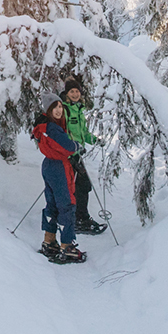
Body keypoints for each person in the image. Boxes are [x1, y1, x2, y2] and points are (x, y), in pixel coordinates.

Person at [31, 92, 86, 264]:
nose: (58, 110)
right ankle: (67, 246)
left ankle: (49, 241)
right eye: (54, 107)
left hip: (48, 165)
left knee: (52, 204)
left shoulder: (43, 126)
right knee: (66, 204)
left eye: (60, 106)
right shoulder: (52, 128)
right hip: (60, 167)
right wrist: (78, 146)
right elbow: (68, 146)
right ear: (48, 109)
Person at [60, 77, 107, 235]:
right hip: (69, 155)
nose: (75, 94)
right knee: (80, 186)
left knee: (82, 186)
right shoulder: (64, 109)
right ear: (67, 94)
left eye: (77, 91)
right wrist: (71, 149)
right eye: (72, 91)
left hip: (78, 154)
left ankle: (79, 218)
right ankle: (80, 219)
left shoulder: (78, 109)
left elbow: (83, 133)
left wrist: (95, 140)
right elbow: (63, 133)